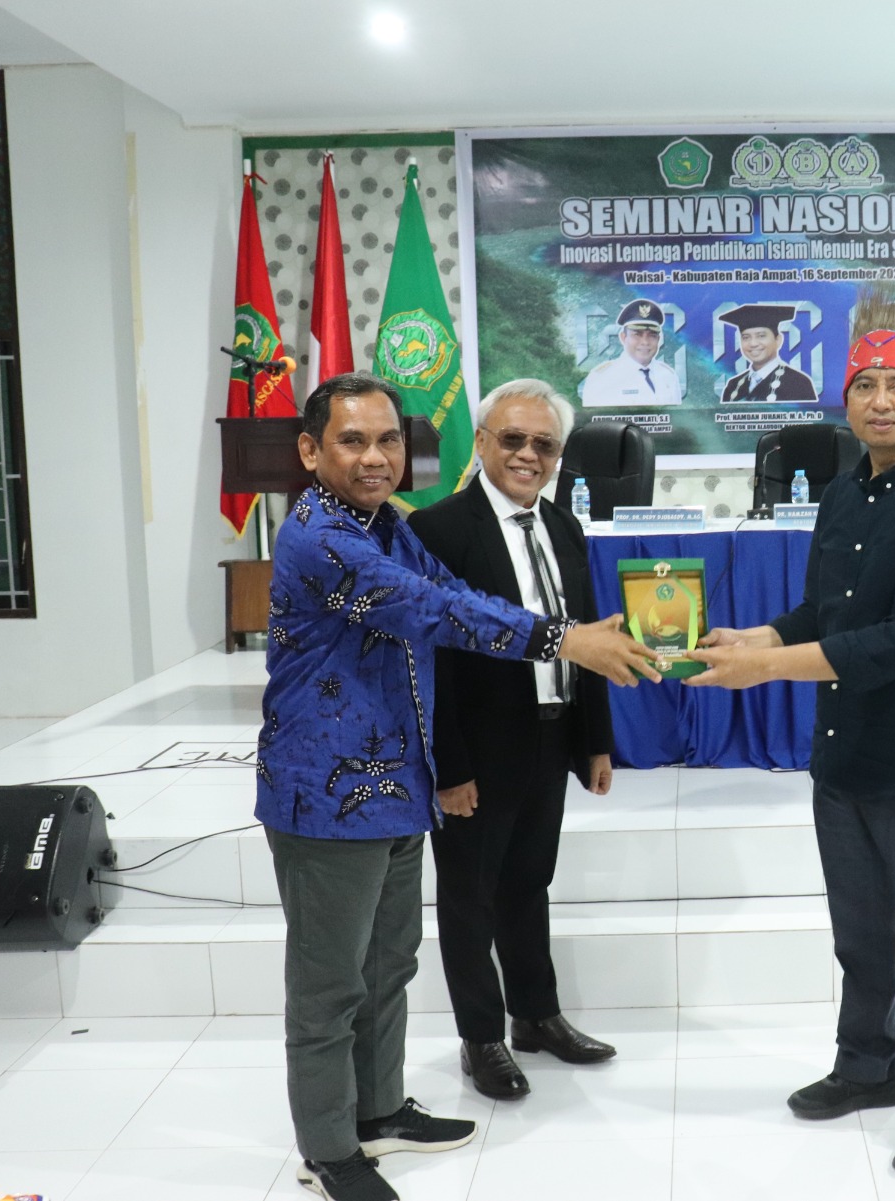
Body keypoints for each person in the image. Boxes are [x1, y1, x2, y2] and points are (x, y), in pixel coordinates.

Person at [255, 372, 659, 1201]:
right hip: (327, 796)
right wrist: (561, 638)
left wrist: (567, 641)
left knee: (389, 964)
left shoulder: (382, 525)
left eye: (387, 440)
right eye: (352, 441)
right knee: (329, 987)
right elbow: (429, 611)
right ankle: (329, 1148)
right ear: (311, 450)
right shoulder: (321, 537)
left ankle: (377, 1110)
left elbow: (450, 592)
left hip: (396, 783)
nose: (375, 457)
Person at [685, 285, 895, 1179]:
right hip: (844, 751)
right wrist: (759, 637)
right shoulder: (843, 493)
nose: (881, 401)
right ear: (846, 398)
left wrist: (768, 669)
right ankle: (866, 1066)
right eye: (866, 385)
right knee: (859, 931)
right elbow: (827, 611)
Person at [406, 379, 618, 1103]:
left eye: (544, 444)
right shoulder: (439, 530)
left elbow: (588, 635)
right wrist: (448, 767)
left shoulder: (564, 526)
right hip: (476, 749)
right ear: (482, 442)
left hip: (550, 737)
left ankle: (536, 1014)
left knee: (530, 882)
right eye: (514, 439)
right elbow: (430, 662)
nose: (529, 454)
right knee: (470, 896)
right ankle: (481, 1036)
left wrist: (594, 740)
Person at [580, 298, 681, 406]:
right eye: (637, 334)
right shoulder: (602, 378)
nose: (645, 342)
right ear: (623, 337)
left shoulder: (668, 375)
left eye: (652, 335)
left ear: (658, 339)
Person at [719, 302, 818, 402]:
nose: (753, 343)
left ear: (778, 340)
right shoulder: (733, 386)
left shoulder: (798, 383)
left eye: (761, 336)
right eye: (746, 337)